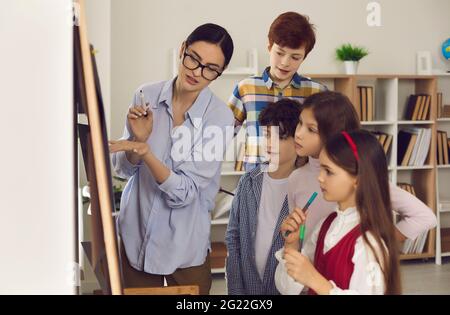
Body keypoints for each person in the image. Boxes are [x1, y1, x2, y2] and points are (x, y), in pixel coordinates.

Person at [109, 23, 234, 295]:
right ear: (182, 50)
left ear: (219, 73)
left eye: (210, 69)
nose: (197, 72)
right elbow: (124, 170)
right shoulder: (146, 95)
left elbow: (185, 193)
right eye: (194, 59)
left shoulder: (219, 118)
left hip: (185, 244)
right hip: (135, 233)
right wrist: (138, 141)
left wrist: (147, 152)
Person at [275, 130, 402, 294]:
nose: (320, 178)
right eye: (321, 169)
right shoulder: (326, 225)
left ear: (358, 179)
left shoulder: (369, 242)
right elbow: (288, 289)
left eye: (328, 171)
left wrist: (315, 280)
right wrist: (291, 245)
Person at [227, 11, 326, 172]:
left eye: (295, 57)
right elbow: (221, 135)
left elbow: (328, 140)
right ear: (269, 47)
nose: (285, 63)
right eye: (279, 53)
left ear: (304, 57)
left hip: (299, 180)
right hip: (256, 179)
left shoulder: (316, 92)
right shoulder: (246, 88)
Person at [225, 99, 300, 294]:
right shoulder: (249, 181)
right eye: (267, 135)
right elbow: (233, 238)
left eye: (280, 137)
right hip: (247, 288)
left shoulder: (304, 189)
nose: (270, 143)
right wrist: (235, 291)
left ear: (297, 141)